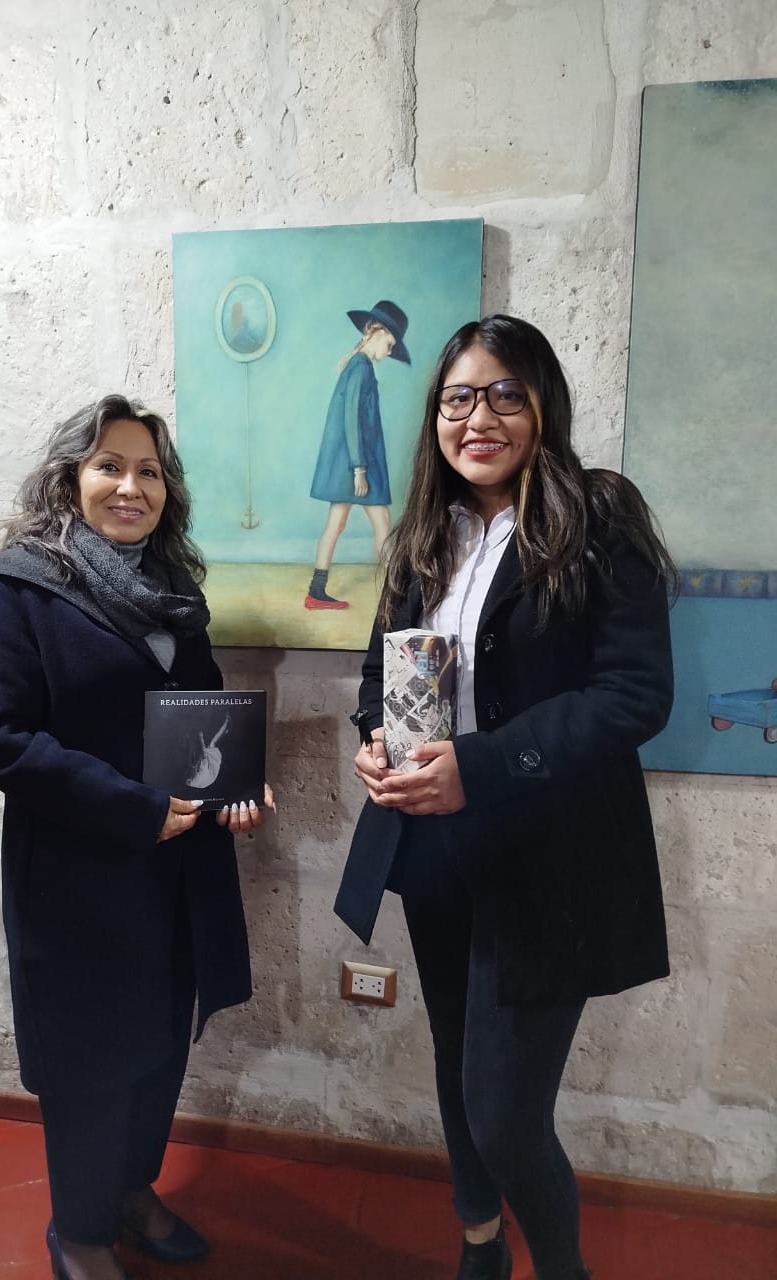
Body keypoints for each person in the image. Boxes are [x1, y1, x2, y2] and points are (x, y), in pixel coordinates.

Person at [335, 315, 675, 1280]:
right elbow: (382, 673)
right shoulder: (423, 533)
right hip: (434, 848)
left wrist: (477, 769)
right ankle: (480, 1242)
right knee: (456, 1060)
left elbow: (634, 694)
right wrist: (376, 741)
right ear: (435, 415)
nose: (477, 418)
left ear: (541, 406)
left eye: (503, 396)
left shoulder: (595, 515)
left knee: (505, 1110)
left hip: (549, 855)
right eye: (457, 398)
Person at [0, 395, 272, 1280]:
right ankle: (80, 1231)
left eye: (149, 471)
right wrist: (132, 807)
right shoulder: (16, 590)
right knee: (91, 1059)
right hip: (80, 879)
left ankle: (131, 1190)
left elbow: (199, 711)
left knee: (158, 1044)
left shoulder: (172, 594)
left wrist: (236, 785)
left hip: (176, 873)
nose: (132, 487)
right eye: (110, 466)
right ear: (70, 479)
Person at [305, 299, 411, 609]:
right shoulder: (361, 367)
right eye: (390, 345)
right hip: (359, 462)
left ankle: (316, 592)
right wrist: (359, 469)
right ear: (378, 332)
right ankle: (394, 595)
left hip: (352, 461)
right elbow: (352, 418)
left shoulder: (356, 365)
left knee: (338, 523)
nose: (389, 352)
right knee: (381, 522)